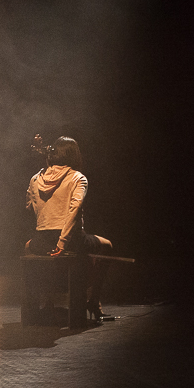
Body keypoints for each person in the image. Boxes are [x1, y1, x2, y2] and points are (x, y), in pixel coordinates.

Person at [25, 136, 113, 319]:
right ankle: (93, 300)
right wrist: (62, 242)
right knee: (107, 246)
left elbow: (30, 207)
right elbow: (75, 209)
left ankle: (45, 301)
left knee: (28, 247)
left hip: (42, 240)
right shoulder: (77, 178)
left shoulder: (35, 179)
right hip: (71, 240)